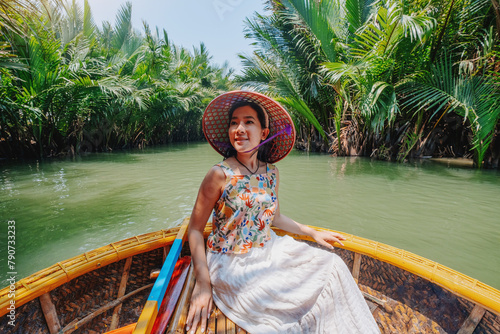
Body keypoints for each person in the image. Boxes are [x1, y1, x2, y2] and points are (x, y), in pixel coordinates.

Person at [185, 90, 380, 334]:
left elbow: (274, 218)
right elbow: (194, 229)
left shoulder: (272, 173)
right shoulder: (219, 174)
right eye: (234, 123)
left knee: (333, 265)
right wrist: (203, 283)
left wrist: (312, 233)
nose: (239, 129)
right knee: (278, 310)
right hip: (231, 261)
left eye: (248, 122)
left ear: (263, 133)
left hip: (270, 249)